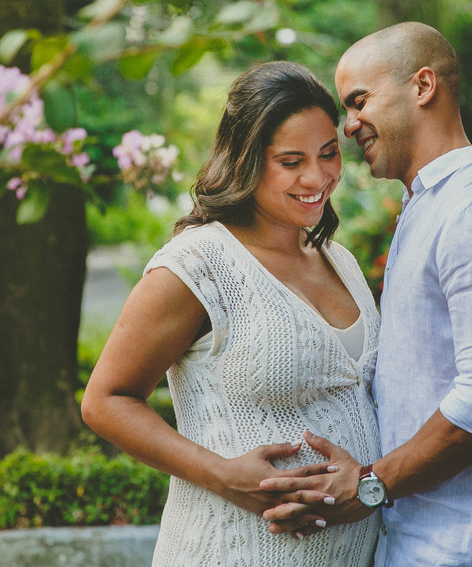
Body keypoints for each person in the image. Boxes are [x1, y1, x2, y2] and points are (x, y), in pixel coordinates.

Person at [261, 22, 472, 566]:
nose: (349, 126)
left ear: (423, 87)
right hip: (421, 543)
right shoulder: (431, 204)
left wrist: (369, 486)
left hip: (468, 549)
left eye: (359, 101)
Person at [81, 61, 382, 567]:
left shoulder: (340, 261)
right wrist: (223, 474)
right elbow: (105, 400)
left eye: (328, 154)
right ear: (246, 160)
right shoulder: (199, 265)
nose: (317, 176)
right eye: (291, 162)